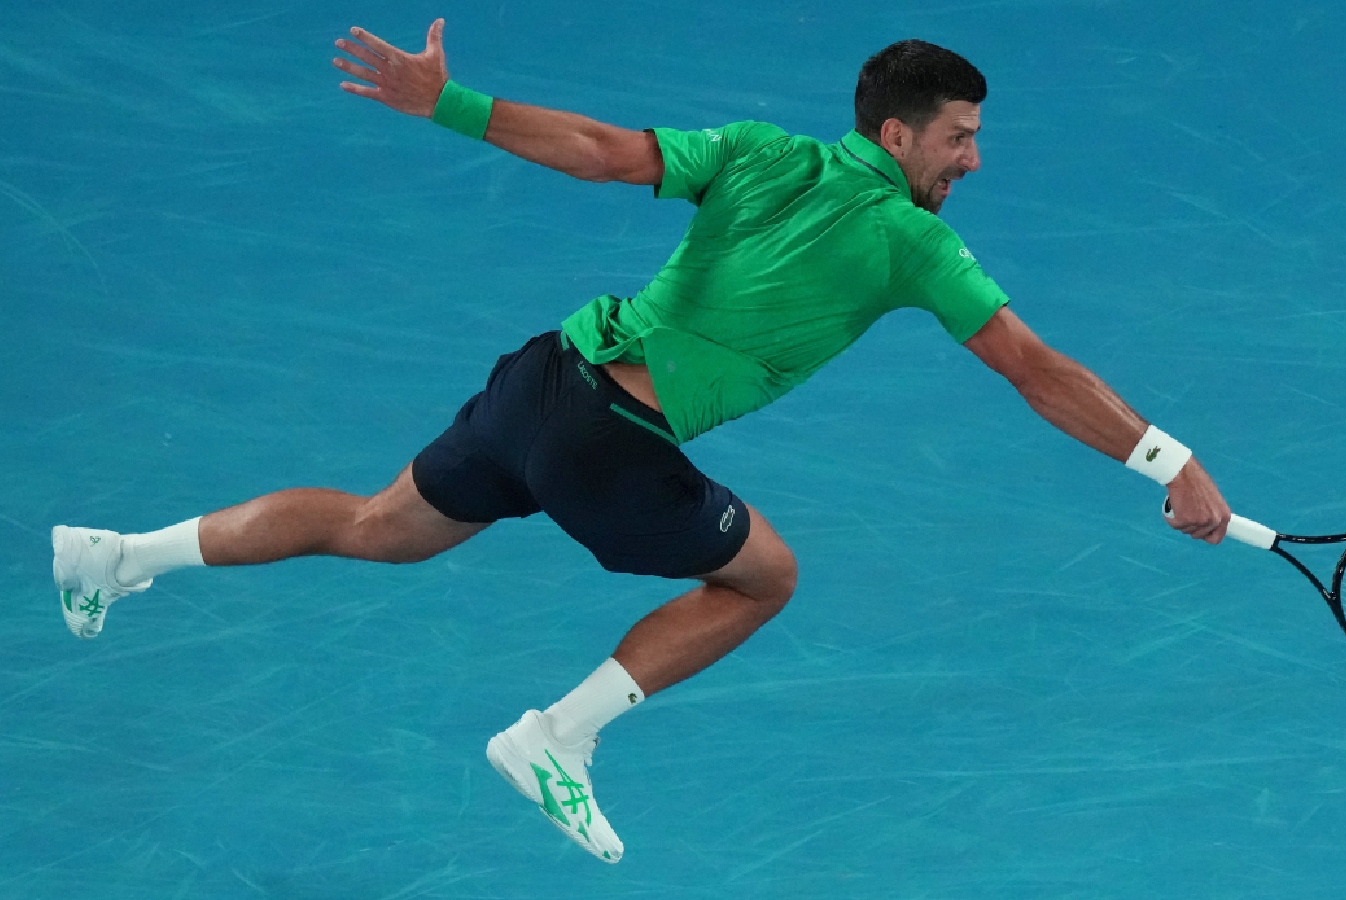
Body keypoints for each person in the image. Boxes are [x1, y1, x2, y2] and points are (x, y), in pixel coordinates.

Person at [50, 20, 1233, 863]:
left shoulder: (766, 150)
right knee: (762, 576)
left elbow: (604, 149)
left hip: (544, 377)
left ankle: (117, 554)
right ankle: (554, 738)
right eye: (959, 138)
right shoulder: (912, 244)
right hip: (613, 440)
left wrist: (449, 104)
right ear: (898, 132)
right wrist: (1168, 463)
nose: (971, 159)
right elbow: (1035, 368)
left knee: (378, 528)